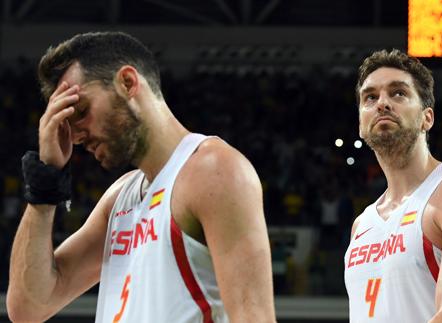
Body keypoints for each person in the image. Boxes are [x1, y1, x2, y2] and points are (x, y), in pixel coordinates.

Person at [7, 31, 276, 323]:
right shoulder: (119, 199)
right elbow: (28, 309)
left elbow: (254, 317)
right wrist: (45, 184)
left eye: (82, 111)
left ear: (127, 82)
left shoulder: (215, 171)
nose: (76, 136)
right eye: (68, 124)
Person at [344, 49, 442, 322]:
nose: (382, 103)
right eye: (370, 97)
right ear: (361, 123)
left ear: (426, 117)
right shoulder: (362, 225)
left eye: (398, 93)